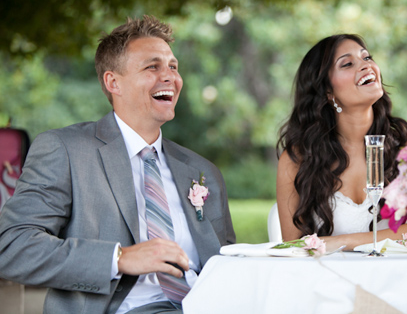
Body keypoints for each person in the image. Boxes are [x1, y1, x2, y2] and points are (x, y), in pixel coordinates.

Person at [0, 16, 235, 313]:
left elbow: (228, 261)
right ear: (113, 82)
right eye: (153, 67)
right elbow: (12, 248)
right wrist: (119, 258)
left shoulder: (203, 171)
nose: (170, 77)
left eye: (173, 67)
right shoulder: (66, 150)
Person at [276, 34, 407, 252]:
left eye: (367, 58)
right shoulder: (297, 159)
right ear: (328, 92)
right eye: (348, 63)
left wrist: (341, 242)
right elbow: (293, 249)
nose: (365, 66)